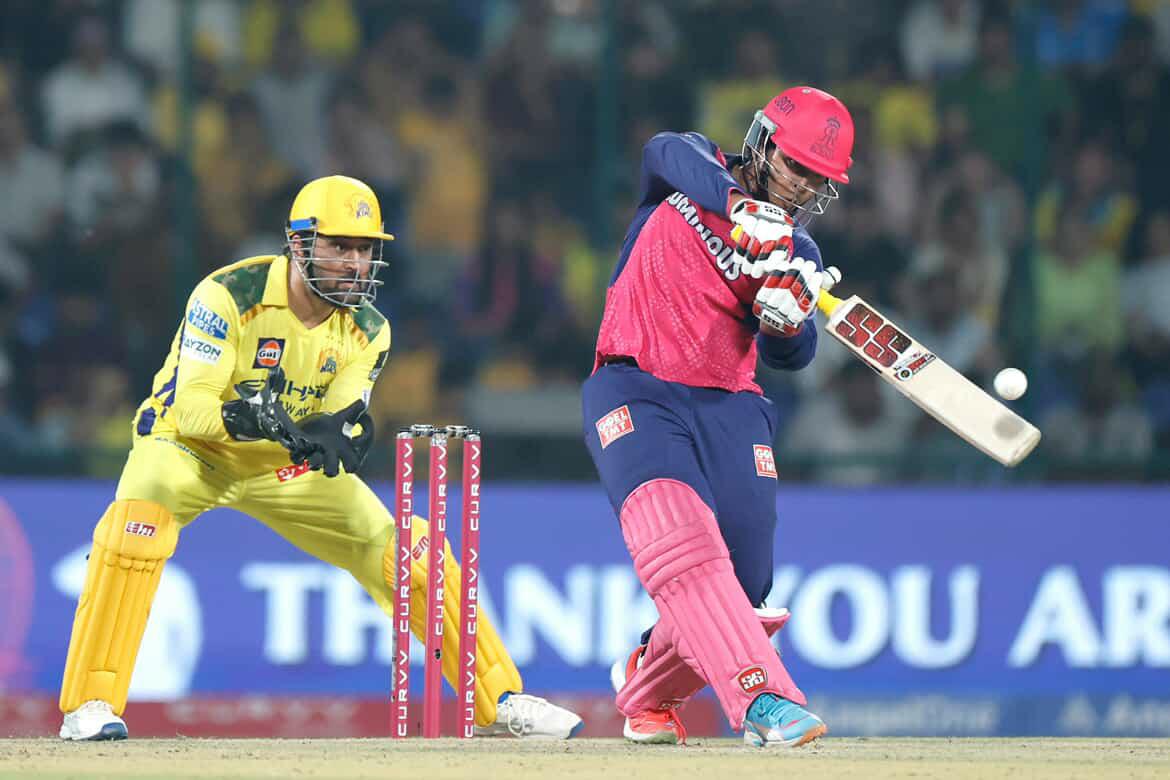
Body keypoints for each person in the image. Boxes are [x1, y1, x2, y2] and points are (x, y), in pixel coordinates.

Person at [58, 175, 582, 741]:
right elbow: (190, 411)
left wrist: (339, 433)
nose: (355, 263)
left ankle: (501, 700)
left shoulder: (370, 330)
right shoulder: (228, 294)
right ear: (299, 243)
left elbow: (337, 414)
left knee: (410, 552)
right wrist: (251, 418)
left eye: (365, 250)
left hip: (279, 464)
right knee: (135, 532)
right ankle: (89, 706)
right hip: (187, 450)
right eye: (340, 247)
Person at [583, 87, 854, 747]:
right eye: (796, 166)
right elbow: (661, 149)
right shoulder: (693, 168)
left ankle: (647, 682)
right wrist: (739, 207)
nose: (803, 186)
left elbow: (792, 355)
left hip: (729, 402)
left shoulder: (800, 252)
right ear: (761, 143)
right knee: (680, 539)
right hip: (635, 385)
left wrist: (785, 323)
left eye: (818, 180)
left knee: (746, 587)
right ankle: (764, 700)